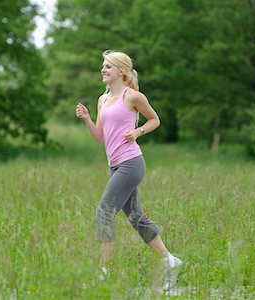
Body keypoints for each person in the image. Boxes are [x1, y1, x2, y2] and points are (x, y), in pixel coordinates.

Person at [75, 50, 183, 291]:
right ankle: (170, 260)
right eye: (103, 66)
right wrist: (86, 119)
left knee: (104, 211)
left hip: (132, 163)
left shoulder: (133, 96)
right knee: (136, 218)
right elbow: (99, 138)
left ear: (121, 71)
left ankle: (103, 272)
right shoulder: (102, 99)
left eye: (108, 67)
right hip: (115, 165)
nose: (103, 70)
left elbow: (154, 119)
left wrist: (137, 132)